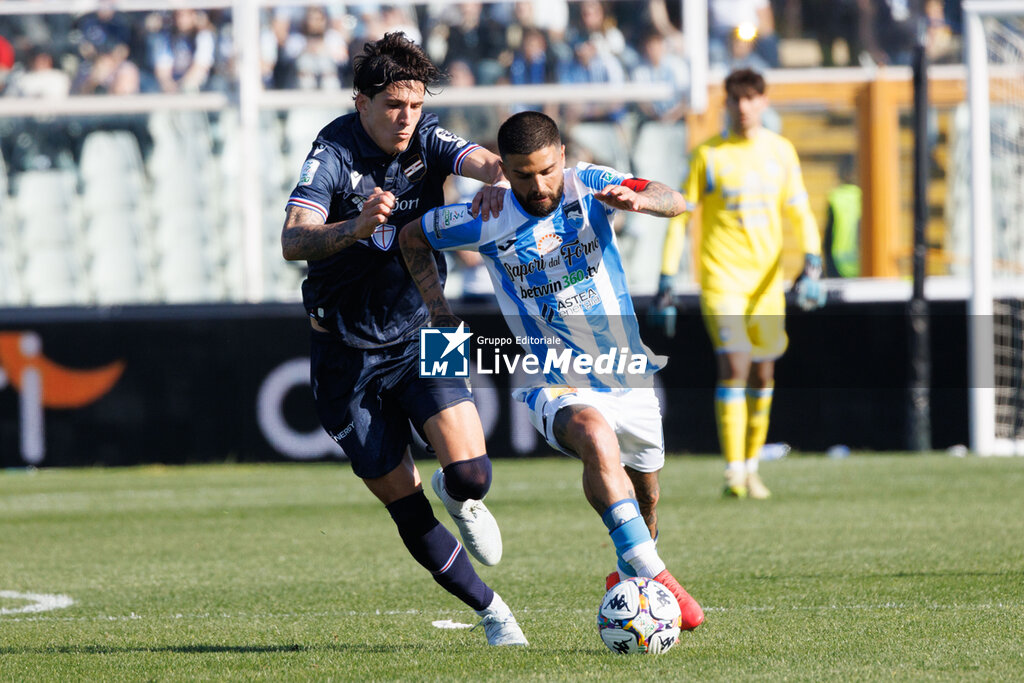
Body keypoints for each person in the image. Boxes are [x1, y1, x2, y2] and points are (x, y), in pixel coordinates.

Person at [399, 110, 705, 632]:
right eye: (521, 175)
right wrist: (438, 310)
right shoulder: (484, 214)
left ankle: (631, 577)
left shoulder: (590, 184)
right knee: (592, 432)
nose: (537, 185)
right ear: (504, 170)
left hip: (625, 372)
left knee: (646, 495)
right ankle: (662, 579)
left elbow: (674, 199)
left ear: (562, 156)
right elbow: (411, 236)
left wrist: (640, 200)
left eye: (545, 171)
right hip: (553, 379)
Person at [280, 32, 527, 647]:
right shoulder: (332, 153)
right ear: (361, 101)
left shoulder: (427, 137)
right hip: (343, 354)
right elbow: (294, 239)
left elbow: (481, 160)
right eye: (395, 106)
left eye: (415, 106)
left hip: (425, 325)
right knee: (406, 507)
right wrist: (356, 225)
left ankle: (459, 492)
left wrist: (501, 177)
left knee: (472, 476)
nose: (406, 118)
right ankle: (494, 613)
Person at [652, 68, 825, 499]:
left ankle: (750, 466)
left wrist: (813, 260)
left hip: (767, 283)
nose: (744, 107)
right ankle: (732, 471)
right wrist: (667, 276)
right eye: (736, 99)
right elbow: (679, 218)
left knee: (763, 375)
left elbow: (800, 211)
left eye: (751, 98)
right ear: (726, 103)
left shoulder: (781, 153)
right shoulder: (709, 156)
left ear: (764, 101)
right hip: (722, 279)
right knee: (735, 366)